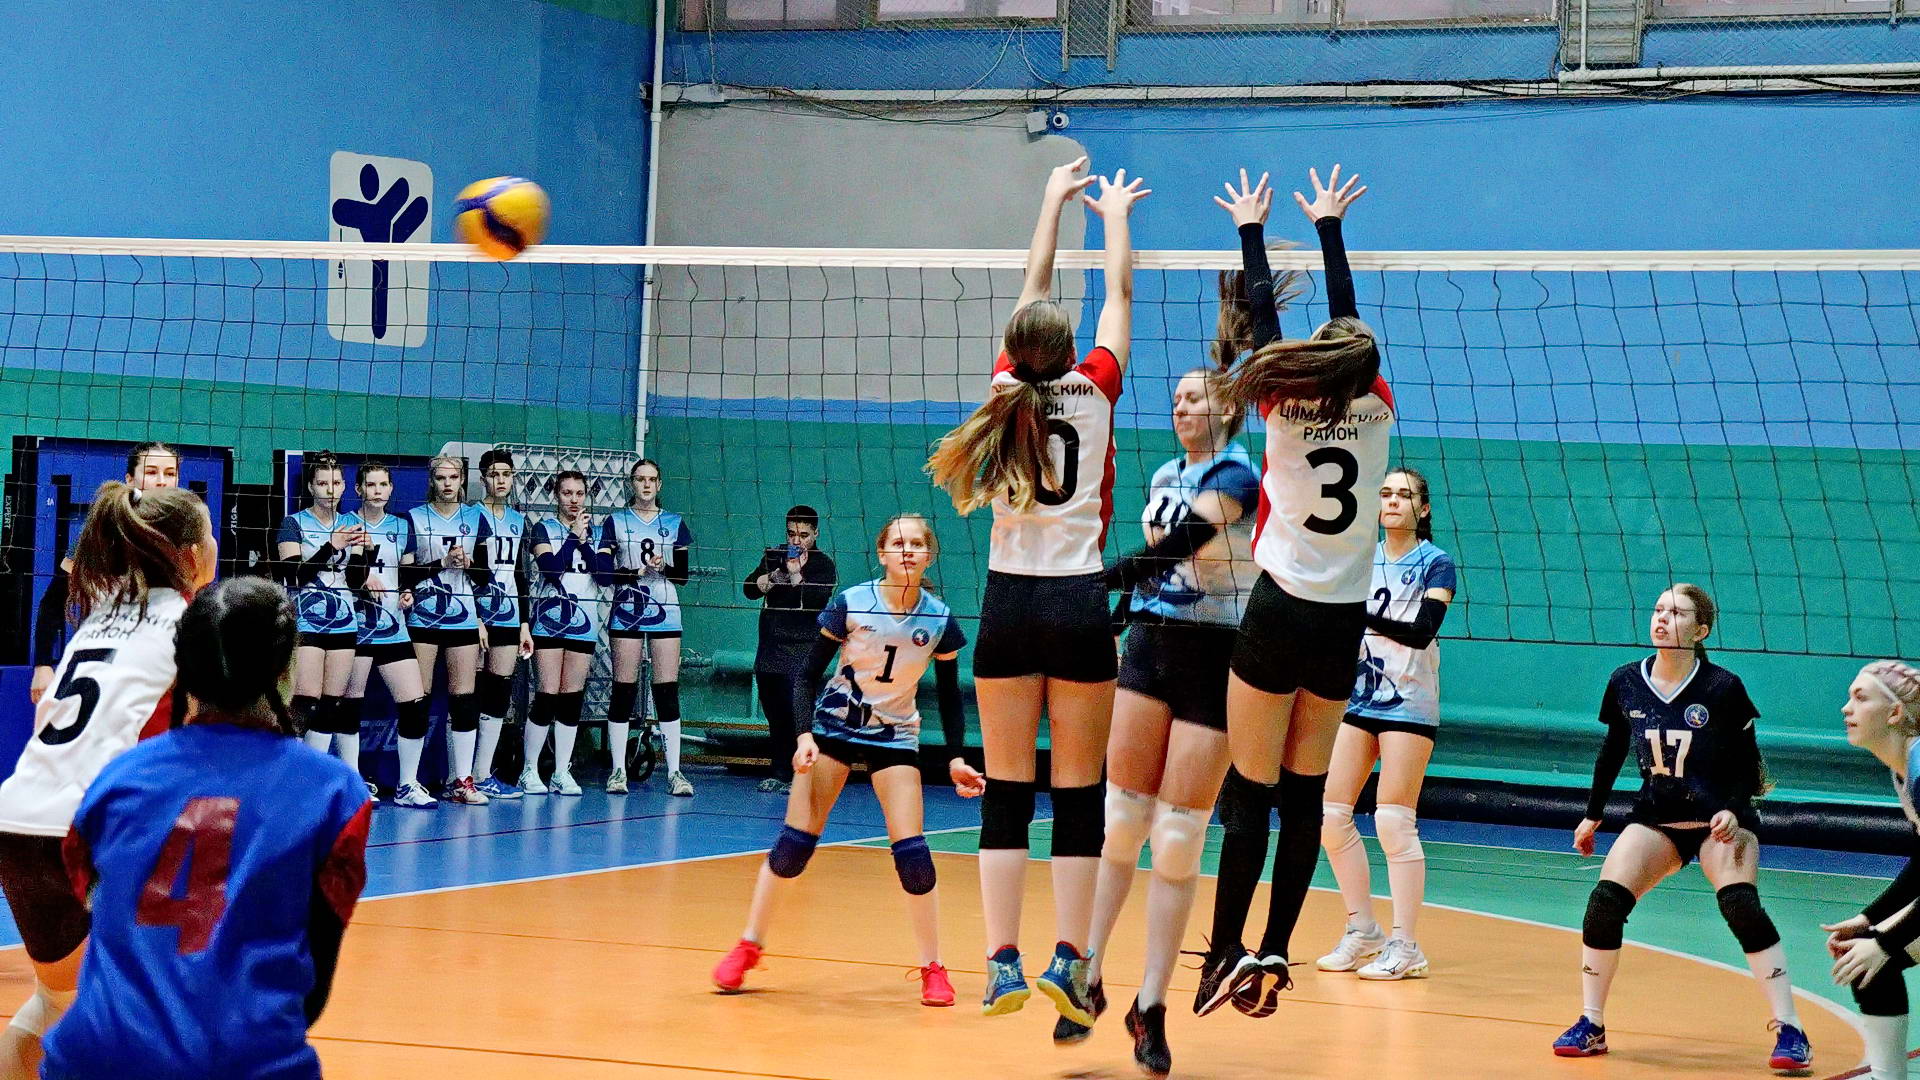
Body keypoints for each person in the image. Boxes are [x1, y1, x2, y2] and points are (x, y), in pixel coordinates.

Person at [926, 155, 1146, 1023]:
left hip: (1010, 604)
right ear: (1066, 351)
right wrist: (1115, 215)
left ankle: (1001, 963)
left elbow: (1035, 288)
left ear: (1015, 352)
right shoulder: (1096, 387)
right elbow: (1118, 294)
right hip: (1078, 601)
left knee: (1008, 789)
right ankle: (1071, 958)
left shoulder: (1002, 391)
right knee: (1080, 793)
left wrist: (1052, 199)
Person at [1192, 165, 1396, 1020]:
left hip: (1278, 613)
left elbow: (1272, 326)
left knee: (1249, 792)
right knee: (1306, 797)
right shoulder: (1380, 408)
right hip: (1343, 624)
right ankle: (1276, 948)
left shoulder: (1278, 403)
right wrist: (1330, 228)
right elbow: (1348, 324)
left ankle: (1223, 953)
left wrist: (1253, 228)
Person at [45, 577, 372, 1080]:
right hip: (245, 1061)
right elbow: (312, 983)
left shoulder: (117, 778)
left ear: (183, 669)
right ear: (284, 669)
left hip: (92, 1057)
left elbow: (92, 900)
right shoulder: (333, 793)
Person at [1072, 286, 1267, 1071]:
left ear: (1228, 410)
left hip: (1217, 658)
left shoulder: (1241, 476)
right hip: (1152, 649)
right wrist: (1120, 605)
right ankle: (1085, 974)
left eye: (1196, 398)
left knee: (1180, 839)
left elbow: (1183, 541)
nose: (1182, 406)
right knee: (1122, 820)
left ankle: (1150, 1004)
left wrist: (1108, 574)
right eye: (1177, 398)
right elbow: (1161, 569)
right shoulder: (1160, 473)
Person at [711, 514, 983, 1005]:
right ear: (882, 553)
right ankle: (749, 945)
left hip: (894, 737)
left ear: (929, 555)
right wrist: (803, 736)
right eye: (897, 542)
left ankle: (933, 967)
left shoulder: (938, 619)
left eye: (916, 544)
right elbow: (806, 674)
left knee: (914, 856)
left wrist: (956, 758)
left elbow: (948, 694)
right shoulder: (852, 603)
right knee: (793, 849)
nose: (907, 550)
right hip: (833, 730)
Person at [0, 483, 215, 1078]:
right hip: (92, 832)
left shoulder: (105, 616)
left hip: (19, 821)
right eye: (209, 533)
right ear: (191, 554)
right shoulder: (195, 626)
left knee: (56, 1003)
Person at [1552, 584, 1811, 1071]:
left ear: (1700, 630)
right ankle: (1591, 1023)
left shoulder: (1722, 687)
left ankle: (1790, 1028)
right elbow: (1613, 749)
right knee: (1604, 903)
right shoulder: (1626, 680)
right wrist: (1593, 813)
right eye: (1658, 610)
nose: (1662, 618)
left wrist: (1733, 809)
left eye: (1676, 612)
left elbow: (1748, 765)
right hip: (1658, 819)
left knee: (1740, 906)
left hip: (1720, 822)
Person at [1316, 466, 1456, 981]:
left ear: (1423, 508)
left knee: (1394, 821)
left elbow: (1421, 632)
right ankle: (1363, 930)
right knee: (1331, 815)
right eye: (1386, 493)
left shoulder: (1436, 563)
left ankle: (1406, 946)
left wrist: (1358, 617)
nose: (1393, 501)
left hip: (1410, 703)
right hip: (1359, 699)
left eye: (1404, 495)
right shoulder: (1359, 558)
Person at [30, 442, 181, 705]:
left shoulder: (186, 529)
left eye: (170, 473)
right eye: (151, 472)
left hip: (162, 668)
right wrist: (42, 665)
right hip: (105, 665)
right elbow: (53, 601)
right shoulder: (104, 529)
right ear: (130, 479)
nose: (161, 481)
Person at [1828, 660, 1920, 1080]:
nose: (1846, 708)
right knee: (1866, 959)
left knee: (1876, 953)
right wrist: (1869, 920)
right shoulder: (1904, 770)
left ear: (1895, 712)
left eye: (1860, 698)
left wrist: (1885, 941)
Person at [340, 463, 435, 808]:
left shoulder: (400, 526)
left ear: (391, 489)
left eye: (383, 484)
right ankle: (353, 782)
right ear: (359, 489)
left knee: (415, 703)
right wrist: (361, 577)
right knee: (350, 704)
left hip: (393, 627)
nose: (378, 491)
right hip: (356, 627)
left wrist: (407, 592)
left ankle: (407, 784)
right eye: (371, 485)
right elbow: (337, 572)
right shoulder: (346, 524)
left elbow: (405, 570)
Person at [600, 459, 694, 796]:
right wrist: (634, 573)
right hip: (627, 610)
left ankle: (675, 772)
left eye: (652, 480)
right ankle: (617, 771)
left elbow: (682, 576)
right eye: (640, 479)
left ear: (659, 484)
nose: (646, 485)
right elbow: (604, 573)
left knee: (666, 690)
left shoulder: (674, 523)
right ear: (631, 483)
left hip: (665, 610)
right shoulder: (616, 522)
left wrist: (663, 566)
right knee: (623, 689)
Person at [407, 454, 494, 805]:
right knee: (418, 697)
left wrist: (468, 563)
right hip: (424, 618)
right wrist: (442, 563)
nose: (447, 484)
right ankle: (409, 781)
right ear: (432, 481)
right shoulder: (415, 517)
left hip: (462, 618)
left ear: (462, 480)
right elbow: (406, 574)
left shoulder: (475, 518)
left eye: (453, 477)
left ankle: (462, 780)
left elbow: (486, 576)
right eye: (441, 478)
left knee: (464, 698)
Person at [275, 453, 368, 765]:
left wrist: (365, 553)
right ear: (311, 487)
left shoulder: (352, 524)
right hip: (307, 621)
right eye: (323, 483)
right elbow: (293, 575)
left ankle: (311, 771)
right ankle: (287, 766)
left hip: (344, 621)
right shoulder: (293, 523)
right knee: (305, 700)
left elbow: (355, 581)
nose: (331, 490)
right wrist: (332, 546)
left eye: (337, 483)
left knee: (331, 703)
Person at [743, 506, 838, 794]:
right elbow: (749, 588)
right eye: (792, 534)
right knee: (775, 712)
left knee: (799, 713)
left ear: (815, 533)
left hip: (802, 648)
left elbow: (816, 600)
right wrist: (777, 574)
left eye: (804, 535)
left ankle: (803, 775)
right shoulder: (775, 555)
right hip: (771, 645)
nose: (797, 540)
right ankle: (781, 772)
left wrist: (796, 576)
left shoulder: (823, 564)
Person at [523, 470, 600, 796]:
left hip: (584, 623)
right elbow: (552, 571)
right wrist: (572, 537)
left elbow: (605, 576)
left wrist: (585, 542)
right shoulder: (543, 528)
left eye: (579, 493)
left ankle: (561, 772)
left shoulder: (596, 532)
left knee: (571, 698)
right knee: (547, 694)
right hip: (549, 622)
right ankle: (529, 770)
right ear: (556, 495)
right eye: (567, 493)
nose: (574, 500)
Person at [471, 449, 534, 798]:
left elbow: (521, 574)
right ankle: (458, 776)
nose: (501, 480)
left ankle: (482, 774)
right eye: (494, 474)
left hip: (508, 617)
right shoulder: (471, 515)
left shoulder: (518, 521)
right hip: (475, 616)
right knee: (468, 694)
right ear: (483, 478)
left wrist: (524, 623)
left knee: (498, 693)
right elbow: (466, 574)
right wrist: (476, 617)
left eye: (506, 474)